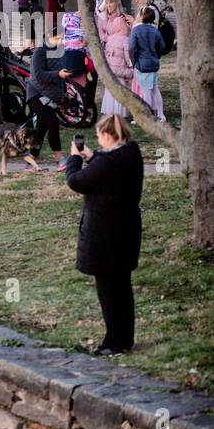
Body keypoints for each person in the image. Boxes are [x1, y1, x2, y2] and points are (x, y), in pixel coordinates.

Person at [65, 115, 144, 356]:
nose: (98, 142)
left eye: (100, 137)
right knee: (122, 287)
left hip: (104, 236)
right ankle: (125, 338)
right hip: (126, 230)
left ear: (109, 136)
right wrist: (93, 156)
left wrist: (74, 159)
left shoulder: (107, 164)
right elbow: (106, 167)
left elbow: (76, 181)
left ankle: (114, 343)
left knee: (109, 292)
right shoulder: (131, 154)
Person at [22, 34, 69, 173]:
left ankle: (30, 162)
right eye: (56, 38)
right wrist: (58, 75)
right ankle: (59, 160)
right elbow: (39, 75)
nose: (59, 41)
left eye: (61, 38)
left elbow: (61, 74)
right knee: (53, 123)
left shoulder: (60, 51)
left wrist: (62, 94)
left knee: (41, 130)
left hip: (50, 95)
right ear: (48, 36)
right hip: (36, 95)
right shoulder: (39, 52)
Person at [96, 0, 134, 119]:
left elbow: (124, 37)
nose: (108, 6)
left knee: (119, 81)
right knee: (112, 81)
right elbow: (107, 35)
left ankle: (120, 110)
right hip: (110, 53)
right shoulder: (109, 19)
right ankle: (112, 110)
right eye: (107, 3)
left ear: (117, 4)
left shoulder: (121, 19)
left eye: (111, 3)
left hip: (119, 53)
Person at [128, 6, 166, 120]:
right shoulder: (155, 30)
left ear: (142, 16)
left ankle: (148, 117)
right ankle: (160, 114)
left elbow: (131, 48)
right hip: (154, 63)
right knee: (155, 89)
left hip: (142, 64)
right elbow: (162, 46)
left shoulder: (136, 30)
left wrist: (134, 62)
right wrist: (156, 56)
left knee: (146, 92)